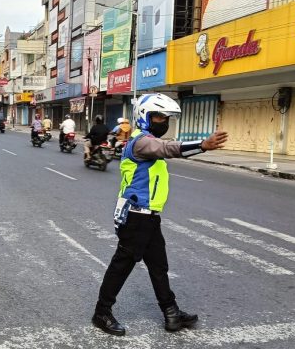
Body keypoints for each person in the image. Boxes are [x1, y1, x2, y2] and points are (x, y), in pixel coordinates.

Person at [92, 93, 228, 335]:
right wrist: (201, 145)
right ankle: (102, 312)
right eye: (158, 116)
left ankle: (171, 313)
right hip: (135, 216)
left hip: (148, 217)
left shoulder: (146, 141)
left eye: (166, 117)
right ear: (145, 117)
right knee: (122, 265)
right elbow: (167, 148)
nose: (163, 121)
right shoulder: (141, 142)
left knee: (158, 266)